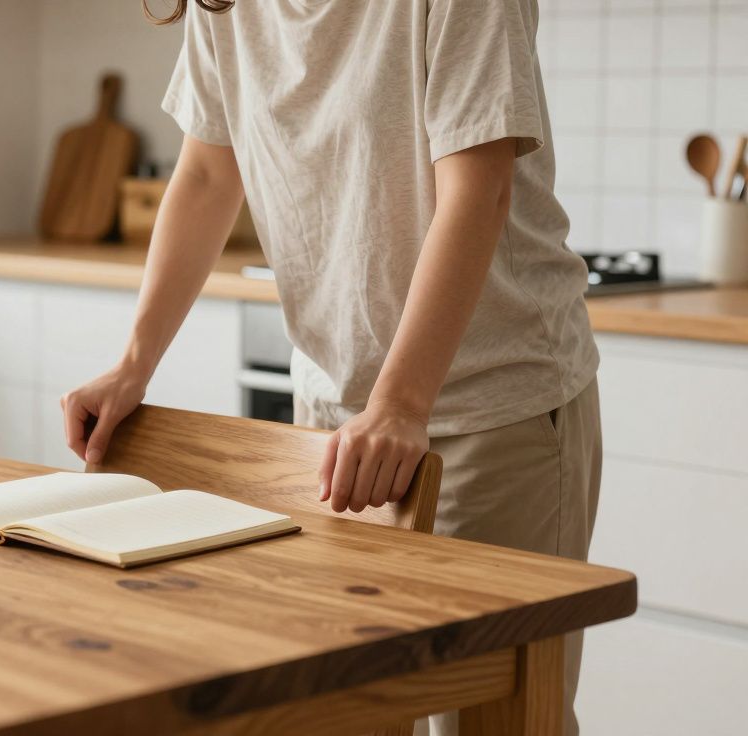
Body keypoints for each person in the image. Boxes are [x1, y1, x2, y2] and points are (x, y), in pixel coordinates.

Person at [58, 1, 601, 733]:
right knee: (347, 709)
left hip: (492, 409)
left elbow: (479, 188)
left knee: (494, 717)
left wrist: (402, 404)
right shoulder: (227, 6)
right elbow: (209, 175)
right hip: (335, 421)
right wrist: (134, 362)